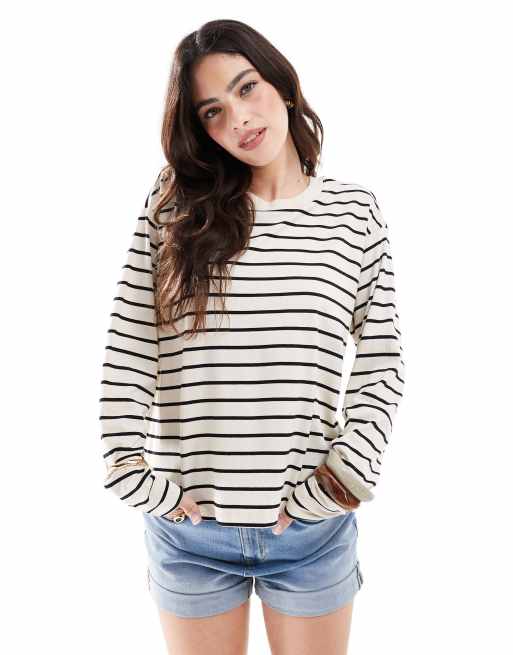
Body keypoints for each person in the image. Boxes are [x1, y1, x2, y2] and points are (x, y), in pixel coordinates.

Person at [99, 18, 406, 655]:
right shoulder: (174, 208)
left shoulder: (353, 213)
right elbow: (131, 343)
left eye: (247, 88)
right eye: (213, 111)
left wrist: (342, 479)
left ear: (283, 85)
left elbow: (382, 362)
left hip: (310, 529)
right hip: (190, 529)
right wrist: (126, 466)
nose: (238, 117)